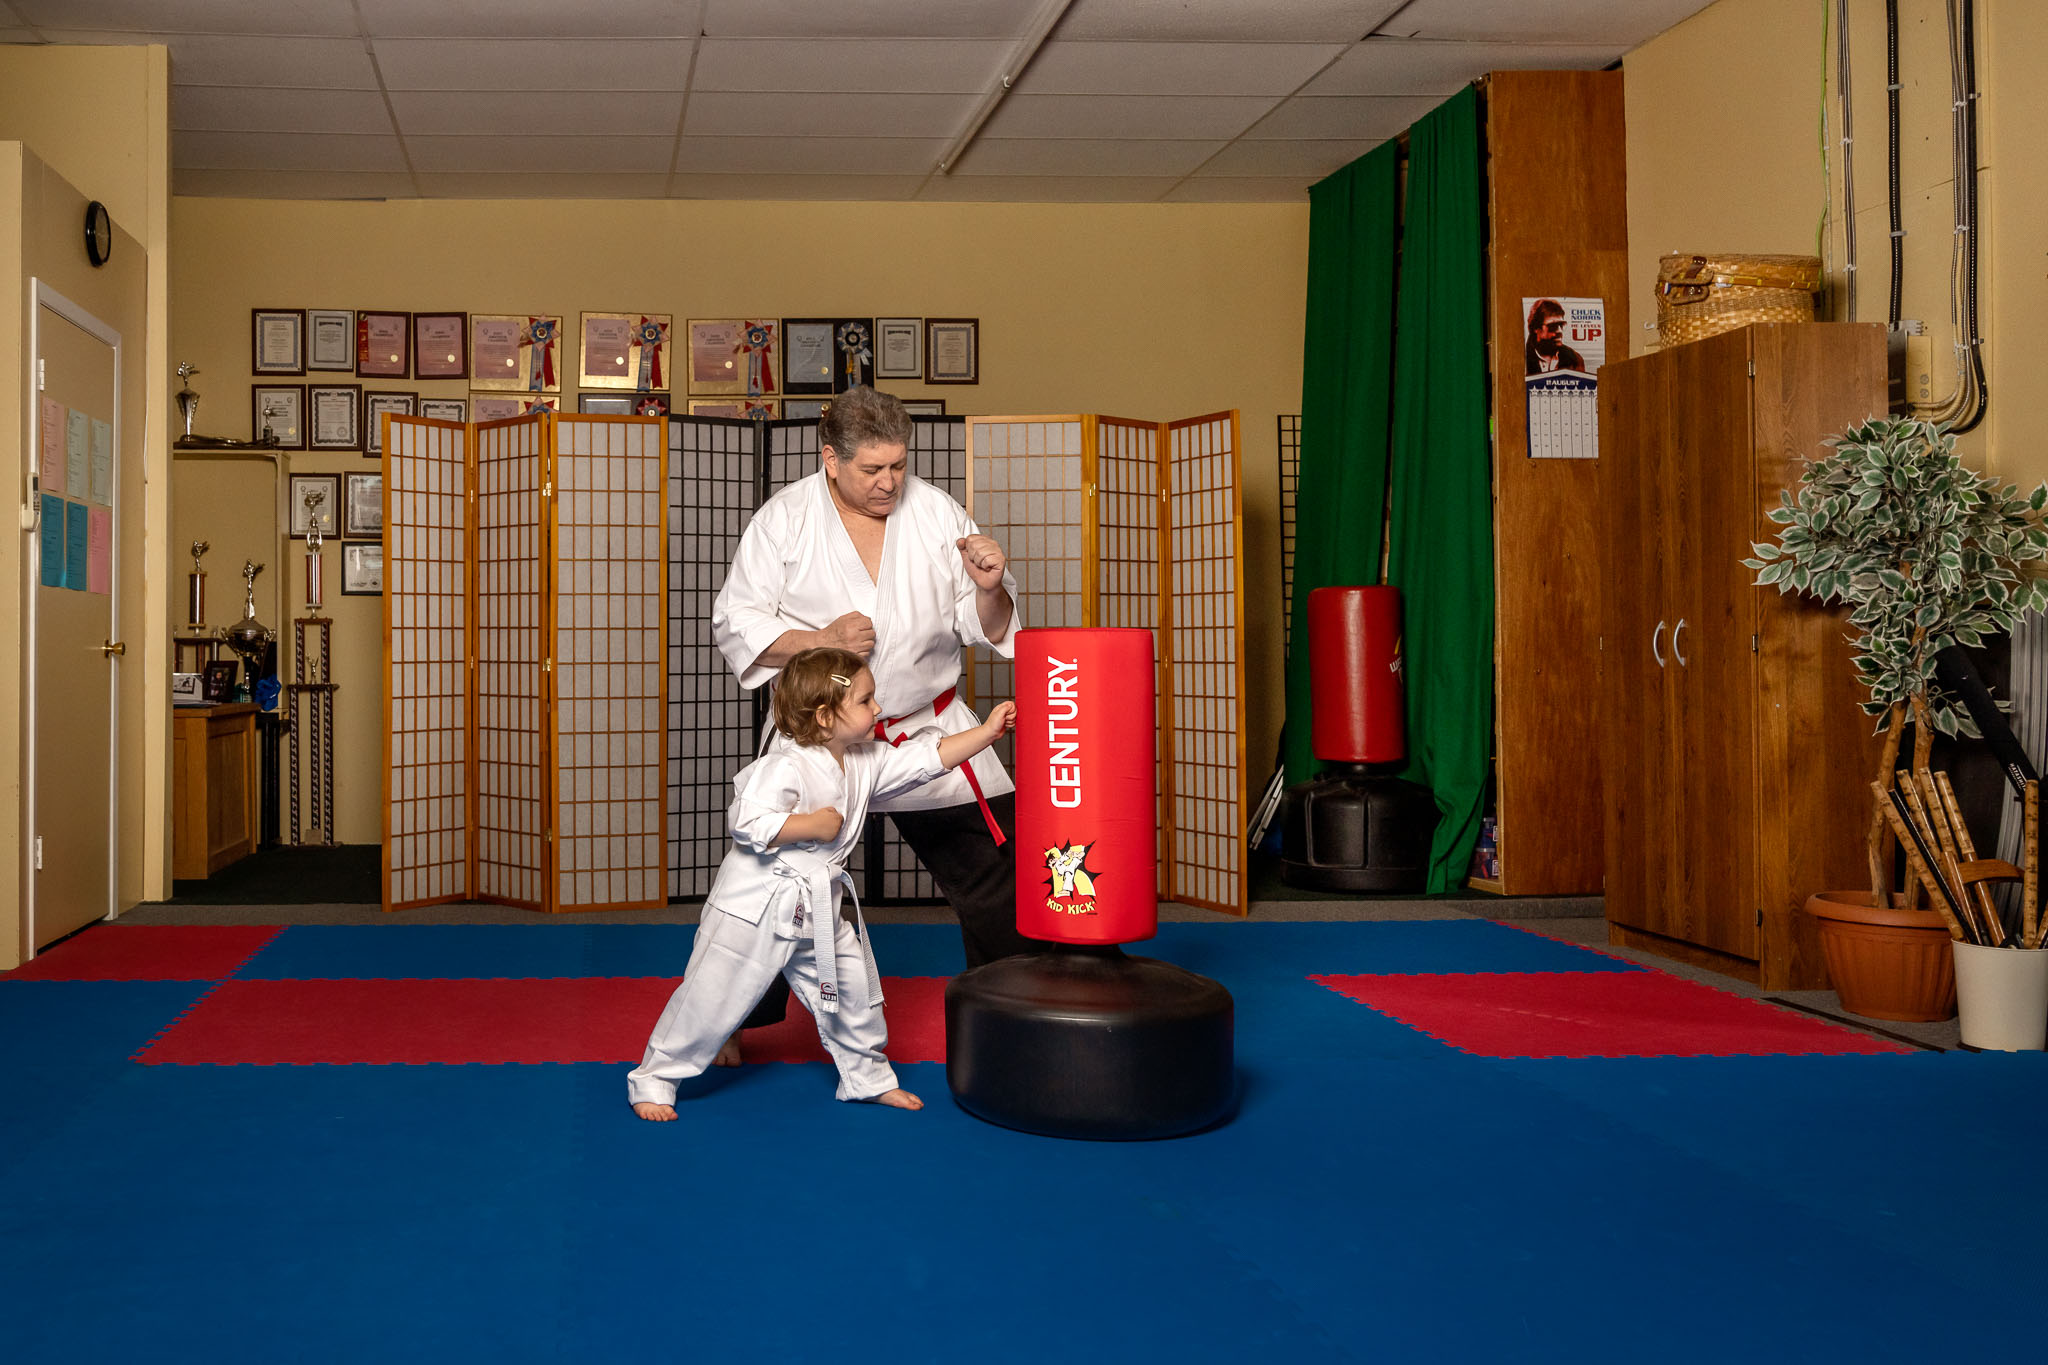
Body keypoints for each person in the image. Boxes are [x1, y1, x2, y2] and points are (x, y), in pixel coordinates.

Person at [711, 386, 1033, 1061]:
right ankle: (726, 1023)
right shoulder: (785, 520)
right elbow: (734, 621)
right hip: (820, 738)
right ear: (830, 458)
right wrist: (815, 637)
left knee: (999, 872)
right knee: (770, 881)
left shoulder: (936, 510)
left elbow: (983, 625)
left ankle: (1016, 1009)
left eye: (898, 466)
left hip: (926, 725)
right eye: (872, 470)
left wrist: (989, 584)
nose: (890, 482)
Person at [628, 647, 1017, 1120]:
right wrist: (809, 825)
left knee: (853, 991)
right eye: (867, 700)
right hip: (753, 908)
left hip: (818, 907)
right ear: (826, 715)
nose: (879, 709)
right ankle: (654, 1078)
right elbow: (745, 820)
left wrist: (986, 732)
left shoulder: (864, 760)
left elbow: (927, 757)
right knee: (711, 997)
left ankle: (867, 1078)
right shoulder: (783, 765)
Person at [1524, 298, 1586, 374]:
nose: (1559, 331)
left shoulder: (1575, 359)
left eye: (1561, 325)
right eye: (1553, 326)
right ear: (1536, 328)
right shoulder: (1523, 358)